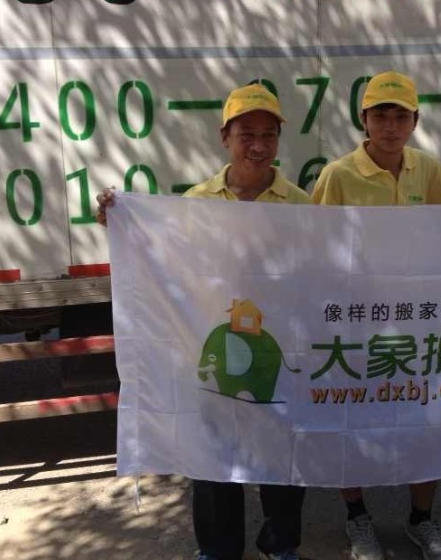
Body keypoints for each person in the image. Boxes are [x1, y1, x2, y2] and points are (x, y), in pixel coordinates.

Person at [96, 83, 309, 560]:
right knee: (213, 456)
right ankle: (218, 548)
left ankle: (280, 544)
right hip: (212, 343)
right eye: (246, 134)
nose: (258, 145)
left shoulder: (299, 204)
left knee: (283, 453)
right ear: (224, 137)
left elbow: (316, 275)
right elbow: (161, 257)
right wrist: (120, 221)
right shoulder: (195, 201)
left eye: (268, 135)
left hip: (274, 348)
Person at [312, 70, 441, 560]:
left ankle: (421, 519)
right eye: (380, 116)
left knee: (421, 421)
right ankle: (357, 518)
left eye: (400, 117)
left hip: (415, 326)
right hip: (355, 325)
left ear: (415, 122)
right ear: (363, 119)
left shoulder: (425, 169)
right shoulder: (337, 176)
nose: (390, 126)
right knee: (350, 422)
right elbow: (316, 249)